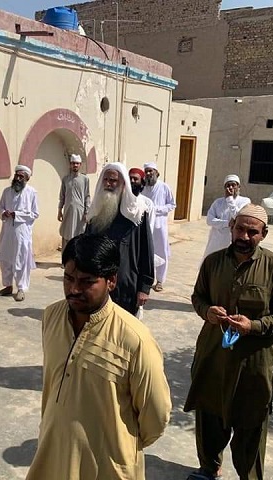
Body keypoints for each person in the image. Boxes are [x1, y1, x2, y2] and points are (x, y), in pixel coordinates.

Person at [26, 233, 171, 480]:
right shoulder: (51, 317)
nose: (73, 289)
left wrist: (119, 443)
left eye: (86, 282)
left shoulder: (135, 339)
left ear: (111, 281)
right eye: (68, 278)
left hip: (107, 467)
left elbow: (155, 417)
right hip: (54, 456)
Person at [184, 204, 273, 480]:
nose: (244, 236)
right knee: (209, 418)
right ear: (231, 227)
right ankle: (209, 469)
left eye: (252, 232)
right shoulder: (213, 263)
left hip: (253, 365)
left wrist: (255, 326)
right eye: (240, 229)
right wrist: (207, 312)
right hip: (213, 357)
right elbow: (198, 297)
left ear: (264, 234)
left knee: (251, 428)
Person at [86, 162, 154, 315]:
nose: (109, 184)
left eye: (113, 180)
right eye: (106, 180)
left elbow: (146, 251)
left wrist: (144, 288)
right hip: (98, 285)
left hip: (126, 285)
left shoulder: (137, 213)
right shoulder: (95, 214)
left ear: (123, 183)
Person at [0, 164, 39, 302]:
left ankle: (21, 288)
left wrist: (18, 215)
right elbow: (0, 208)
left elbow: (35, 213)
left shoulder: (32, 193)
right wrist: (4, 213)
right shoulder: (6, 192)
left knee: (20, 259)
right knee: (6, 258)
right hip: (7, 229)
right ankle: (8, 286)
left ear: (26, 178)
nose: (18, 178)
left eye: (21, 176)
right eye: (17, 175)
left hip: (22, 232)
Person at [142, 162, 176, 292]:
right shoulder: (143, 187)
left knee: (162, 252)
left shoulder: (164, 187)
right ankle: (146, 278)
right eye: (147, 171)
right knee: (146, 252)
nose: (149, 174)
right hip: (145, 225)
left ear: (157, 173)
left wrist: (156, 210)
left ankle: (160, 280)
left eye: (151, 171)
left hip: (159, 226)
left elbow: (172, 205)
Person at [202, 174, 251, 260]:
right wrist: (227, 223)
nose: (231, 187)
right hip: (216, 241)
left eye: (233, 185)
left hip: (233, 242)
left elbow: (238, 217)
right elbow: (209, 220)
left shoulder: (245, 201)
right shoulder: (218, 202)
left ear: (238, 187)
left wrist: (229, 199)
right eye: (228, 185)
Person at [58, 154, 90, 251]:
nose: (75, 165)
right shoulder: (65, 179)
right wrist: (59, 210)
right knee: (66, 235)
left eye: (77, 163)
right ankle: (65, 260)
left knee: (79, 235)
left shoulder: (85, 179)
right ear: (70, 165)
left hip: (80, 213)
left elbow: (87, 196)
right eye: (73, 163)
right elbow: (62, 196)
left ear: (80, 165)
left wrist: (87, 212)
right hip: (67, 211)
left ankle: (77, 260)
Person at [129, 167, 155, 234]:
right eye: (130, 178)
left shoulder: (147, 203)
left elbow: (150, 225)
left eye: (135, 179)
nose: (132, 181)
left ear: (142, 183)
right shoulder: (121, 200)